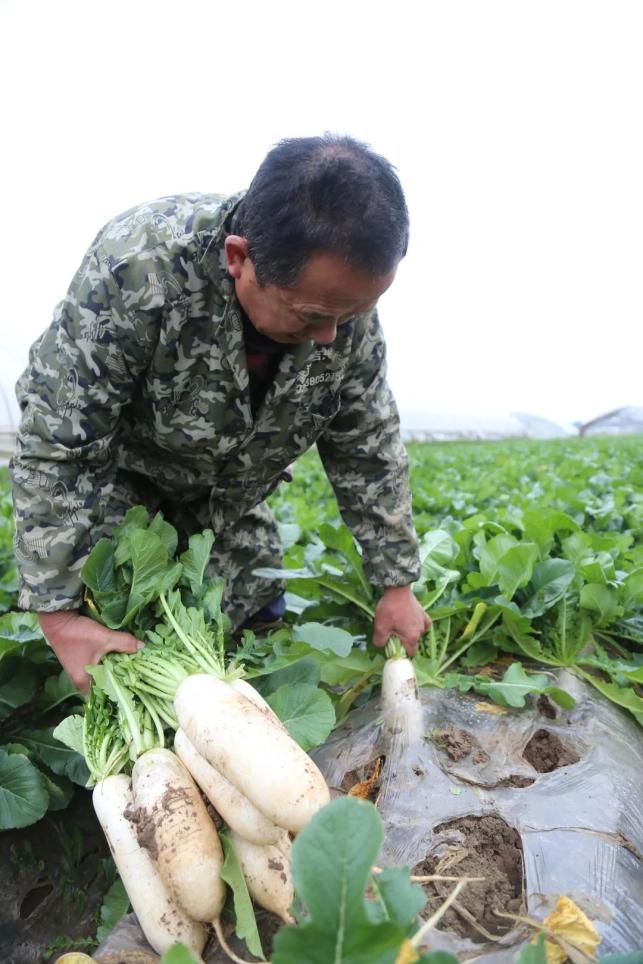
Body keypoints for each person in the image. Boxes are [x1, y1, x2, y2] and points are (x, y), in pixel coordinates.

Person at [10, 134, 430, 693]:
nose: (332, 335)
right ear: (239, 259)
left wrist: (395, 581)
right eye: (311, 316)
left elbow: (367, 444)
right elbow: (60, 438)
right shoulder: (139, 269)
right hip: (124, 510)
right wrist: (59, 613)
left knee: (252, 662)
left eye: (354, 312)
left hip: (232, 513)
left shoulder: (340, 310)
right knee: (127, 676)